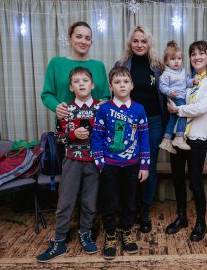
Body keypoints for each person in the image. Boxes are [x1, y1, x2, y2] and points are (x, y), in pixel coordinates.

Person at [36, 67, 101, 262]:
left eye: (85, 80)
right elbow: (58, 137)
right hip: (72, 161)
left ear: (92, 85)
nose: (81, 83)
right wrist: (73, 135)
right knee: (65, 201)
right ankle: (60, 239)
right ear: (71, 87)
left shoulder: (102, 108)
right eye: (77, 81)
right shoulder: (65, 110)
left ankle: (85, 232)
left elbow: (107, 135)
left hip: (94, 162)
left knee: (90, 201)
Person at [165, 41, 207, 242]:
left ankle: (201, 222)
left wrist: (177, 110)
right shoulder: (187, 79)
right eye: (193, 54)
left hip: (197, 140)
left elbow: (200, 108)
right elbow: (175, 98)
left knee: (196, 183)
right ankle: (181, 217)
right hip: (178, 137)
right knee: (178, 179)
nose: (196, 57)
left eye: (201, 53)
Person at [91, 66, 150, 260]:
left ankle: (126, 232)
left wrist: (144, 165)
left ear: (132, 85)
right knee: (109, 201)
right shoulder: (104, 109)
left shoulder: (139, 109)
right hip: (110, 165)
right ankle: (109, 235)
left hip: (132, 165)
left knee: (130, 202)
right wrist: (100, 162)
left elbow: (144, 137)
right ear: (111, 86)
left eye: (125, 82)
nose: (122, 85)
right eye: (117, 82)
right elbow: (97, 136)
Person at [115, 26, 166, 233]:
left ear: (149, 43)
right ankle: (130, 209)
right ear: (130, 43)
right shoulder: (121, 65)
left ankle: (145, 209)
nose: (139, 44)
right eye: (135, 41)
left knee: (148, 166)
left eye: (143, 41)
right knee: (127, 165)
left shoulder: (158, 66)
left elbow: (168, 92)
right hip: (126, 122)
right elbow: (116, 92)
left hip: (153, 122)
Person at [41, 21, 110, 120]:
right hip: (66, 125)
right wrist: (56, 106)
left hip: (96, 125)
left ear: (91, 42)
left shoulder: (99, 66)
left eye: (87, 38)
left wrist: (104, 102)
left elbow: (106, 96)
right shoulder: (56, 63)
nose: (83, 41)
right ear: (69, 39)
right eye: (78, 37)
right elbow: (47, 94)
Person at [158, 40, 195, 154]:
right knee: (183, 115)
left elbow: (186, 83)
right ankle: (179, 138)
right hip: (176, 98)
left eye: (179, 59)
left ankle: (166, 140)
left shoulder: (182, 71)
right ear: (166, 61)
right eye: (173, 59)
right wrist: (170, 91)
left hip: (182, 97)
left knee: (173, 118)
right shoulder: (167, 74)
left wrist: (193, 81)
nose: (176, 61)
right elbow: (162, 86)